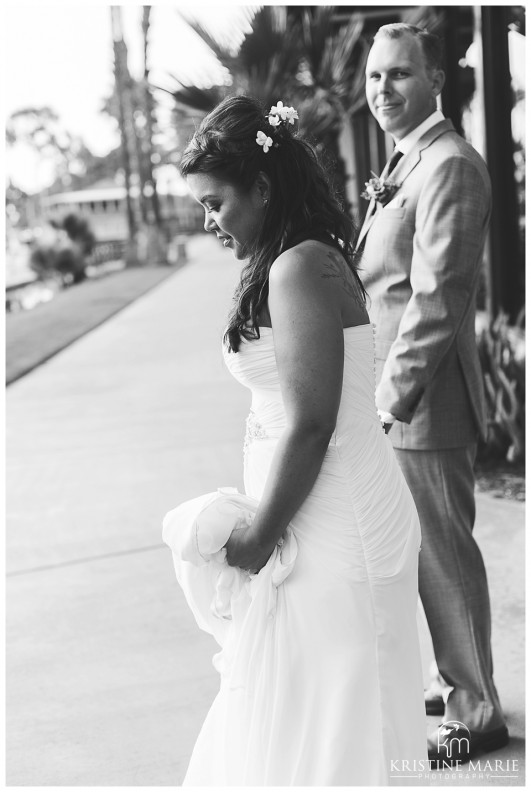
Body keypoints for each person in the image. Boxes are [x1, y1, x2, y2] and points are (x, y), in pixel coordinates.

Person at [173, 95, 427, 785]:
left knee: (344, 716)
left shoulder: (296, 267)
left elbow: (312, 423)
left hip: (335, 522)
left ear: (261, 186)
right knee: (316, 713)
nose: (210, 221)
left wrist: (258, 538)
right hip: (321, 512)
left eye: (216, 203)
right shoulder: (294, 258)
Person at [360, 23, 508, 762]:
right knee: (419, 549)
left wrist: (388, 399)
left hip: (423, 398)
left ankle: (476, 712)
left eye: (398, 75)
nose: (382, 90)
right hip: (397, 395)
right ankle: (450, 676)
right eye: (374, 77)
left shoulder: (447, 165)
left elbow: (437, 299)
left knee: (443, 555)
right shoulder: (405, 160)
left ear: (434, 80)